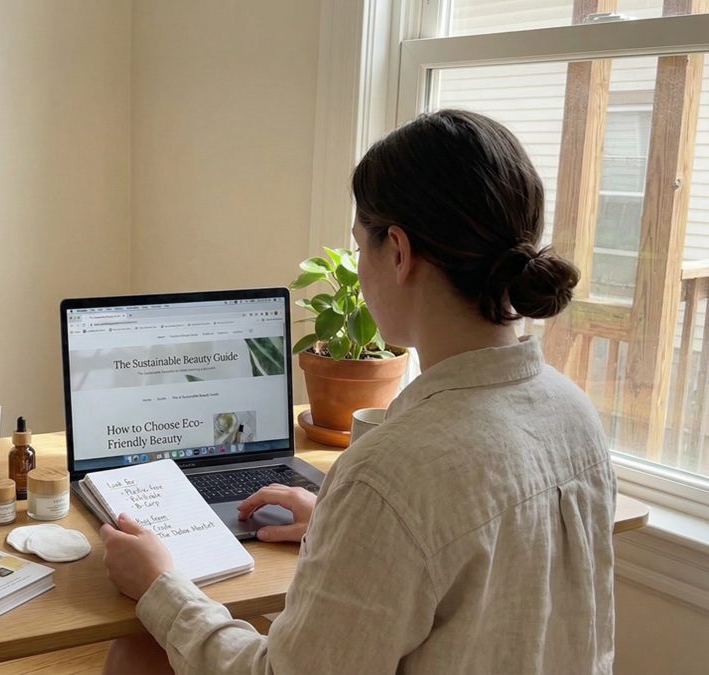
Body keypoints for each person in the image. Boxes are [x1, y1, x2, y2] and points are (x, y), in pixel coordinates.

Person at [99, 109, 616, 674]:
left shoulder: (392, 474)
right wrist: (339, 525)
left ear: (398, 251)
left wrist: (160, 586)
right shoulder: (574, 413)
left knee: (135, 654)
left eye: (360, 246)